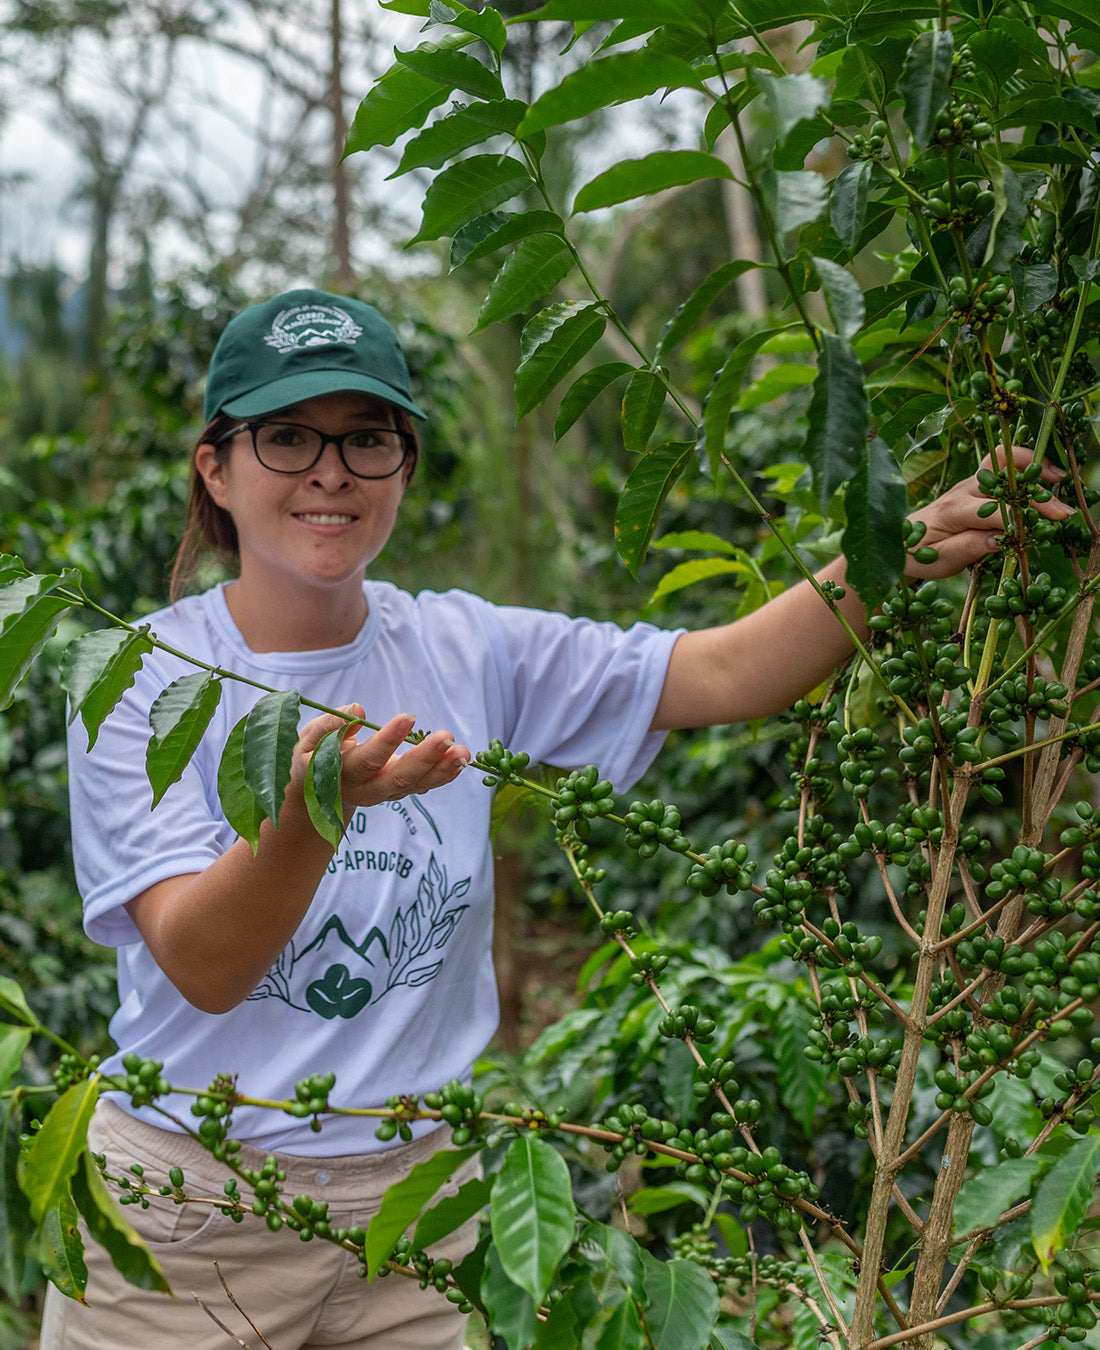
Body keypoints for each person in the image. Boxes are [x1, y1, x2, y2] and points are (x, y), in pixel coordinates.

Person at [41, 288, 1072, 1349]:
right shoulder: (144, 678)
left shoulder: (468, 649)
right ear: (216, 466)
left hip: (416, 1209)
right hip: (186, 1213)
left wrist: (895, 544)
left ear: (405, 464)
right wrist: (317, 809)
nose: (330, 473)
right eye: (287, 437)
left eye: (367, 441)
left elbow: (715, 670)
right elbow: (201, 964)